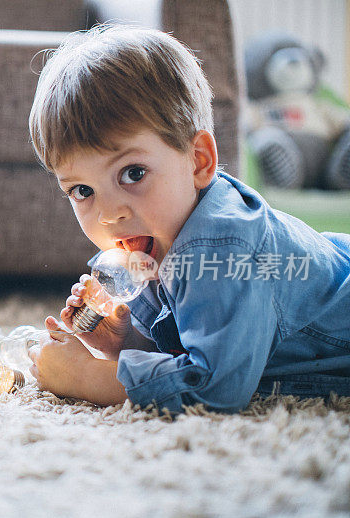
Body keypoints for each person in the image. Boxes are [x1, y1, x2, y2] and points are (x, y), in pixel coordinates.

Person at [26, 25, 350, 414]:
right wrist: (126, 341)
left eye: (133, 174)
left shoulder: (223, 252)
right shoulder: (157, 235)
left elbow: (214, 385)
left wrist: (87, 378)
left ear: (199, 161)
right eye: (82, 191)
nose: (110, 214)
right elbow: (192, 343)